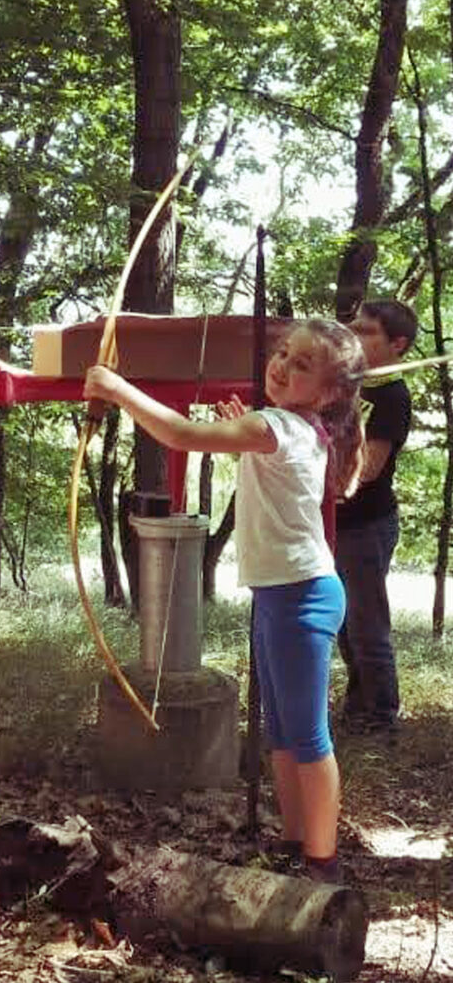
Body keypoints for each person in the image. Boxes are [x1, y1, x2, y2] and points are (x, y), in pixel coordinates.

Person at [84, 319, 366, 883]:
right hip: (282, 595)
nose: (282, 365)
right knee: (282, 732)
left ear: (331, 392)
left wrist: (115, 389)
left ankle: (323, 863)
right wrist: (241, 426)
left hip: (301, 597)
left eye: (302, 364)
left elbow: (181, 435)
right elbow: (261, 453)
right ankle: (294, 844)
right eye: (282, 353)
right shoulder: (289, 425)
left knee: (307, 735)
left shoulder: (276, 425)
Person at [336, 300, 417, 735]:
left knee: (367, 627)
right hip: (338, 524)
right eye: (353, 327)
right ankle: (358, 707)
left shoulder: (390, 395)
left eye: (365, 331)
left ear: (397, 344)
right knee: (346, 626)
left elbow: (368, 469)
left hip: (366, 526)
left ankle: (382, 719)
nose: (353, 335)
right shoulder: (349, 384)